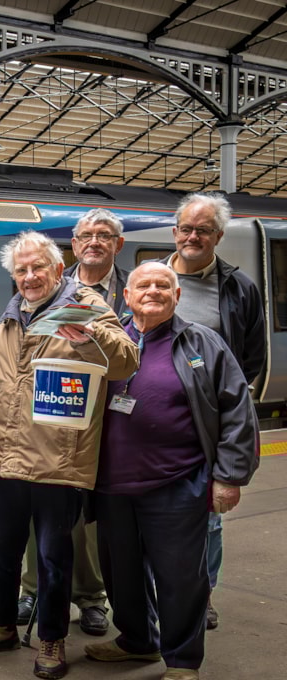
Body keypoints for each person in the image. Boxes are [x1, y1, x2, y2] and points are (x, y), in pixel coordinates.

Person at [0, 230, 138, 680]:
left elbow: (125, 361)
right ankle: (1, 625)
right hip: (6, 455)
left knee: (54, 557)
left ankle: (52, 638)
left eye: (38, 267)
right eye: (21, 270)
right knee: (0, 551)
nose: (30, 276)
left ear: (59, 269)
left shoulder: (87, 305)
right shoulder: (9, 316)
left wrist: (88, 337)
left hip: (61, 458)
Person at [88, 262, 259, 680]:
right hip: (112, 485)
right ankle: (138, 640)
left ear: (177, 297)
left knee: (181, 575)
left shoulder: (203, 343)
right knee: (120, 573)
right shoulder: (107, 342)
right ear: (125, 297)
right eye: (143, 284)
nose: (153, 290)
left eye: (163, 285)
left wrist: (229, 476)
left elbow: (238, 411)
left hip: (178, 482)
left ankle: (182, 658)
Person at [17, 208, 129, 636]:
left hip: (102, 417)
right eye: (86, 235)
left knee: (84, 519)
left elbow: (125, 356)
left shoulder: (118, 291)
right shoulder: (31, 303)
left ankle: (90, 596)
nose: (95, 242)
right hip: (45, 419)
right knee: (38, 515)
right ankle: (34, 589)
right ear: (74, 245)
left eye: (104, 235)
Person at [161, 193, 266, 631]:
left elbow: (251, 360)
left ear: (218, 236)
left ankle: (201, 597)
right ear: (175, 232)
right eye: (186, 228)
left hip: (206, 424)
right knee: (153, 518)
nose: (193, 236)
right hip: (153, 424)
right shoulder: (151, 279)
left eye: (203, 230)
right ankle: (158, 596)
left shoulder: (238, 287)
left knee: (208, 519)